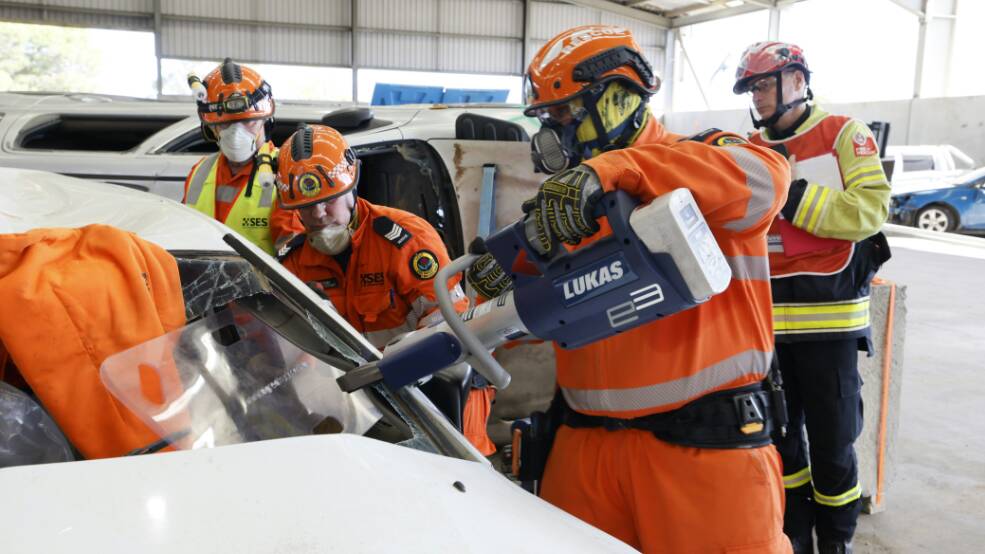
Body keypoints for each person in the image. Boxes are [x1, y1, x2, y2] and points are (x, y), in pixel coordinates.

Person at [468, 25, 792, 552]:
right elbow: (554, 315)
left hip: (704, 452)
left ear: (619, 98)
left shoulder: (699, 158)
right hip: (583, 448)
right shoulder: (572, 199)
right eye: (549, 119)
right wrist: (498, 287)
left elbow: (766, 182)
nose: (555, 133)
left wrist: (616, 170)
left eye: (566, 113)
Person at [733, 41, 892, 554]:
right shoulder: (748, 148)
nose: (757, 97)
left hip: (830, 327)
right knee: (780, 446)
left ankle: (836, 542)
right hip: (767, 330)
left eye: (764, 84)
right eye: (751, 88)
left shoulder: (845, 134)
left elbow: (870, 210)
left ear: (798, 81)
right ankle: (794, 536)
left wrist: (793, 195)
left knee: (833, 447)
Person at [274, 124, 496, 456]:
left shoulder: (406, 241)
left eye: (327, 201)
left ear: (352, 185)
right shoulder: (294, 263)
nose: (318, 215)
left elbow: (453, 330)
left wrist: (406, 365)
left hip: (440, 400)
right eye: (305, 208)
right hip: (365, 414)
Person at [182, 58, 303, 255]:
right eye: (225, 124)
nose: (236, 132)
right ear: (211, 128)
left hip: (262, 285)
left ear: (265, 120)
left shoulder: (286, 171)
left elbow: (293, 253)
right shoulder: (199, 171)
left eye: (248, 122)